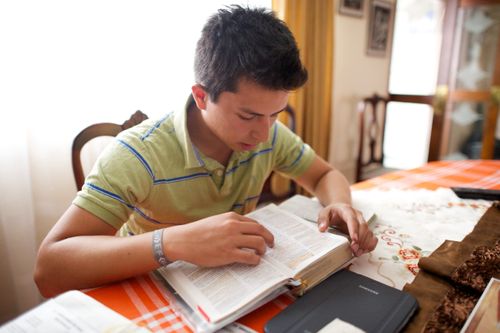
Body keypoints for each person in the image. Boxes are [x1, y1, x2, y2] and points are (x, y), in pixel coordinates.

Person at [34, 5, 377, 298]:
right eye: (248, 115)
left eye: (275, 114)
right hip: (148, 291)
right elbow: (48, 270)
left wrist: (338, 203)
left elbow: (323, 174)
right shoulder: (136, 154)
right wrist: (170, 243)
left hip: (232, 291)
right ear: (201, 97)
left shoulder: (270, 136)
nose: (263, 133)